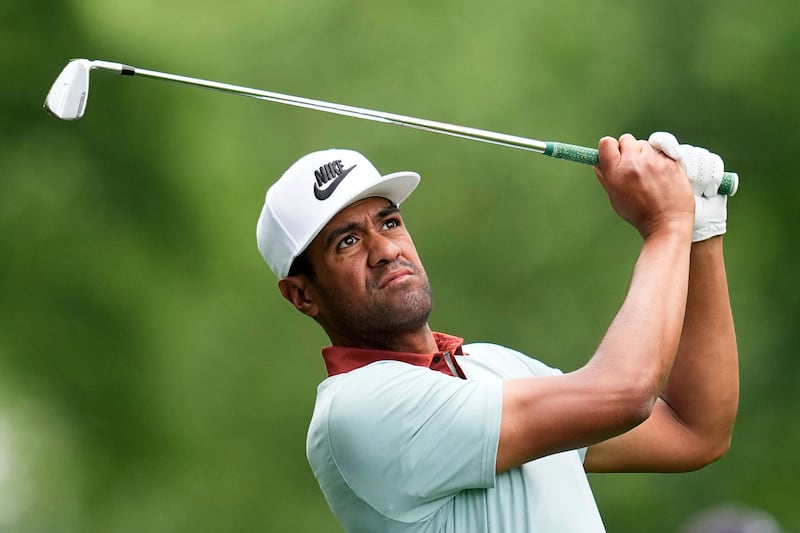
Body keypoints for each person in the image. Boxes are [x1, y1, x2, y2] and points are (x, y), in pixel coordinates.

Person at [255, 133, 739, 532]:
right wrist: (668, 224)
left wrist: (701, 231)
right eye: (348, 241)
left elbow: (692, 431)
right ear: (302, 295)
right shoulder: (357, 410)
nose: (385, 249)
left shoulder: (492, 366)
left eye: (390, 221)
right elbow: (624, 393)